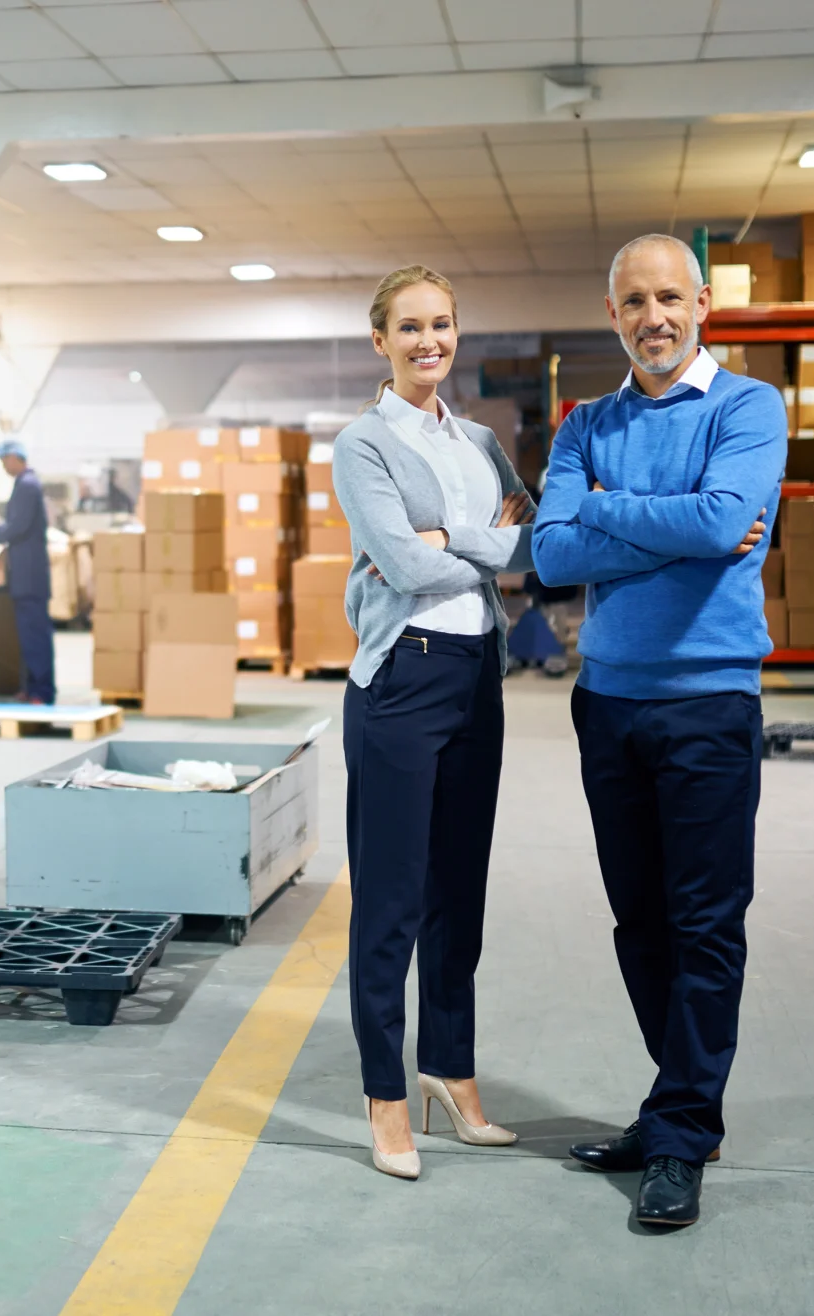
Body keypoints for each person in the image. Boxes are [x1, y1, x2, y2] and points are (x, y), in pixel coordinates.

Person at [531, 233, 781, 1229]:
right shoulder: (584, 422)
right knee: (639, 920)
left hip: (709, 703)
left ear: (703, 303)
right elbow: (549, 552)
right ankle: (685, 1102)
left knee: (705, 923)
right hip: (608, 703)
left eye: (670, 296)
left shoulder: (746, 406)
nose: (653, 316)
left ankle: (677, 1131)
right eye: (634, 301)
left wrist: (611, 521)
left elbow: (725, 521)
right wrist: (676, 524)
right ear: (614, 314)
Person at [330, 265, 535, 1182]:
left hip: (475, 677)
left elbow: (525, 536)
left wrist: (455, 545)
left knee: (461, 895)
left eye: (442, 324)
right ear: (381, 340)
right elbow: (407, 573)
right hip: (400, 683)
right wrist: (462, 549)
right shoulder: (362, 444)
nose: (429, 343)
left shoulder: (482, 440)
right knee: (392, 904)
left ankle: (450, 1072)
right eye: (409, 327)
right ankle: (383, 1097)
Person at [0, 439, 55, 704]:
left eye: (5, 460)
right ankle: (32, 687)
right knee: (28, 636)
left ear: (16, 457)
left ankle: (42, 691)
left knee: (35, 635)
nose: (4, 466)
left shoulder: (28, 486)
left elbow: (19, 526)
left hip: (30, 577)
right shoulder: (23, 484)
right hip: (24, 576)